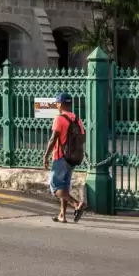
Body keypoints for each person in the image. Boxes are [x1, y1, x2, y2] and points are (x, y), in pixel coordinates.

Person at [45, 92, 86, 223]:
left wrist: (46, 156)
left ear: (61, 104)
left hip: (60, 157)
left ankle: (76, 204)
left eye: (57, 103)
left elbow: (53, 139)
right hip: (73, 158)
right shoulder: (77, 119)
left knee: (56, 187)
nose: (56, 105)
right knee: (65, 186)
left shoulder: (60, 118)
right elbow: (82, 138)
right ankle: (62, 215)